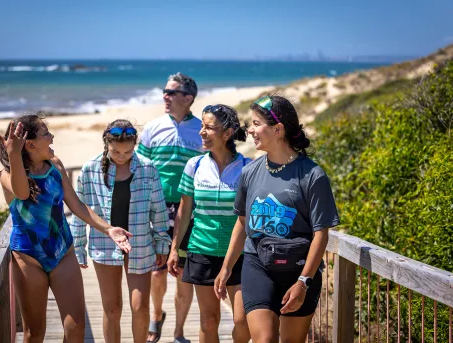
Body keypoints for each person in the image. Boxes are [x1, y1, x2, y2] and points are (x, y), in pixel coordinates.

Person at [0, 113, 131, 343]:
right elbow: (22, 193)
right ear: (30, 144)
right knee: (34, 333)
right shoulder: (8, 175)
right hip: (29, 258)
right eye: (46, 133)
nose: (52, 137)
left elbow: (76, 204)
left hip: (62, 251)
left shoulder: (55, 166)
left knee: (76, 326)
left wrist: (108, 229)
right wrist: (13, 154)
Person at [214, 95, 340, 343]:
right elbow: (242, 223)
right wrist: (227, 267)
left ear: (278, 129)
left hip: (299, 270)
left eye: (256, 123)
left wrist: (303, 282)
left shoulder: (312, 175)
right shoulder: (250, 172)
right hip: (257, 265)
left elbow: (321, 234)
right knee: (264, 339)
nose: (249, 130)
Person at [69, 119, 172, 343]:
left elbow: (159, 210)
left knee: (140, 306)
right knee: (112, 309)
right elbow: (80, 210)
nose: (122, 156)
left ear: (135, 145)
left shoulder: (148, 167)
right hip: (104, 244)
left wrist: (162, 242)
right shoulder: (90, 169)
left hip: (141, 245)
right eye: (116, 151)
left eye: (127, 151)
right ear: (106, 143)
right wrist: (78, 246)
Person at [167, 104, 251, 343]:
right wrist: (175, 249)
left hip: (240, 255)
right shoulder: (194, 165)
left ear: (228, 133)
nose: (202, 132)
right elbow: (184, 211)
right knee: (208, 320)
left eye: (209, 127)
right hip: (201, 251)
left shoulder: (247, 167)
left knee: (242, 320)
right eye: (202, 126)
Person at [137, 72, 203, 343]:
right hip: (157, 208)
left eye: (170, 92)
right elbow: (138, 168)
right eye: (164, 91)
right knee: (157, 270)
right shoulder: (153, 128)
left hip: (190, 210)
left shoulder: (201, 129)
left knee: (183, 274)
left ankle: (178, 333)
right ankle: (156, 317)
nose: (164, 96)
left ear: (187, 98)